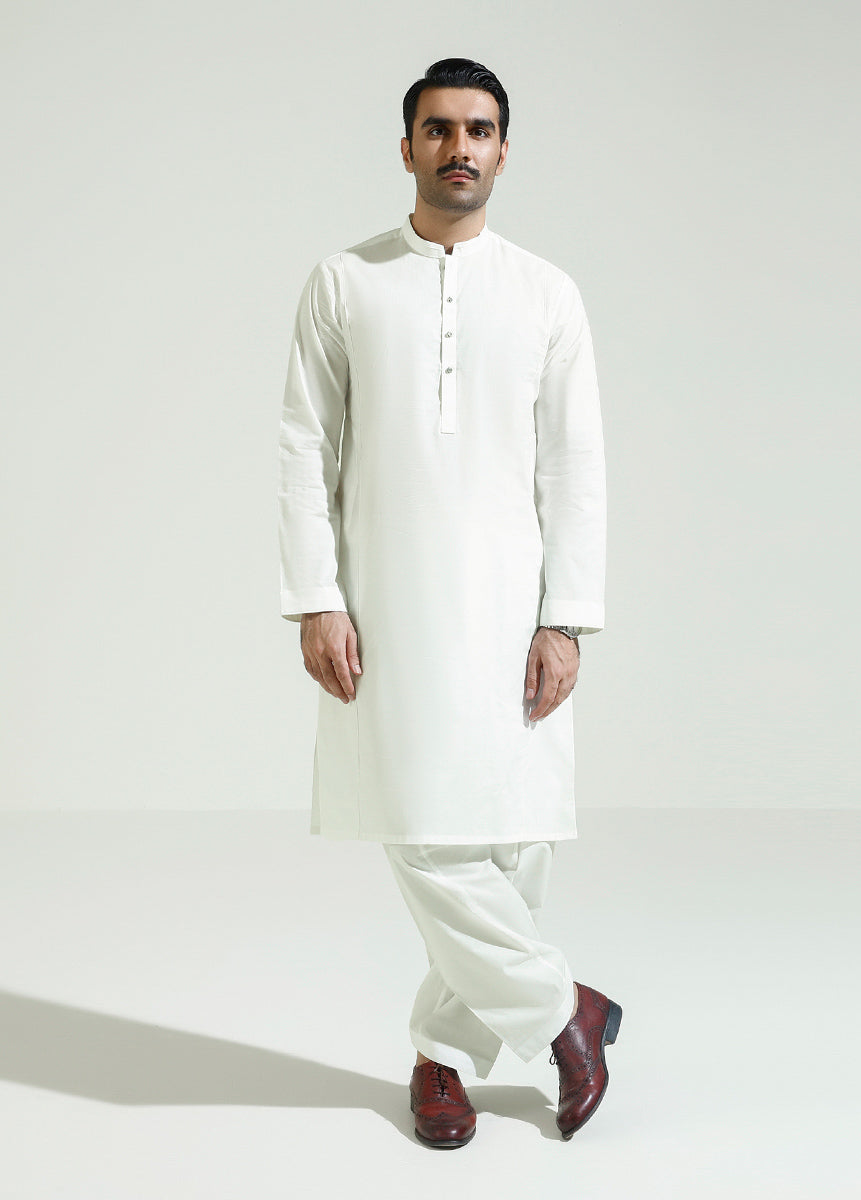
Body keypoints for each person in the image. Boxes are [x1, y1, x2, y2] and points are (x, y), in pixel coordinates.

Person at [278, 57, 619, 1148]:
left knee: (515, 843)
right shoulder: (346, 281)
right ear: (408, 147)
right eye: (438, 128)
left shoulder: (547, 293)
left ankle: (442, 1058)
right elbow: (304, 447)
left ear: (504, 151)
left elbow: (574, 465)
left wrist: (564, 616)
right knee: (423, 826)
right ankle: (566, 1015)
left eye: (478, 129)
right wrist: (316, 597)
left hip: (514, 605)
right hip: (388, 602)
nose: (458, 146)